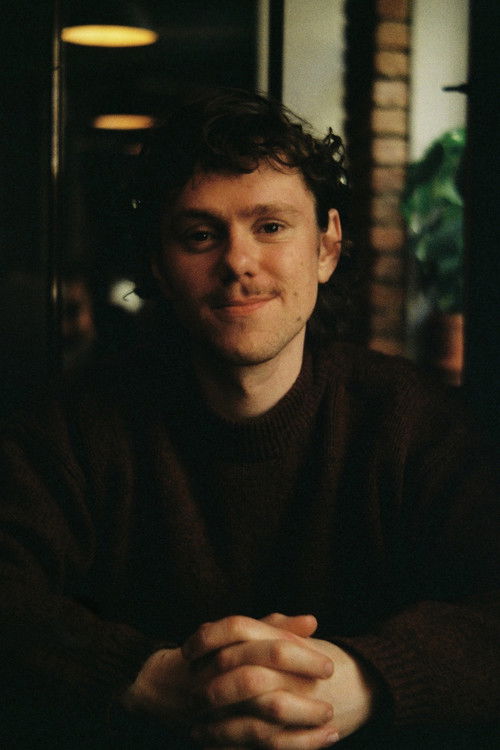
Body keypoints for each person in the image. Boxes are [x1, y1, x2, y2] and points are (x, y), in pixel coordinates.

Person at [0, 89, 498, 750]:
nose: (238, 261)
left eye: (271, 226)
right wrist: (144, 677)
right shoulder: (74, 427)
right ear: (158, 265)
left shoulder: (414, 422)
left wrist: (362, 680)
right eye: (201, 235)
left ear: (327, 246)